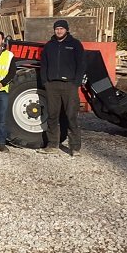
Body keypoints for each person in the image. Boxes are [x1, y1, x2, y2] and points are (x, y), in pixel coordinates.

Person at [37, 19, 86, 157]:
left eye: (61, 29)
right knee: (52, 115)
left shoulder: (75, 44)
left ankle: (75, 147)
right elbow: (44, 65)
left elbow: (81, 64)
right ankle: (52, 144)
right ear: (54, 30)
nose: (59, 31)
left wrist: (76, 82)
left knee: (71, 116)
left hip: (69, 85)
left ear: (66, 30)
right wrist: (45, 82)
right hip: (52, 85)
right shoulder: (49, 46)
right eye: (57, 29)